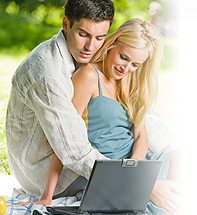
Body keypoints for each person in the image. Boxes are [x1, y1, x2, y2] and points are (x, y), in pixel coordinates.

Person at [17, 18, 182, 215]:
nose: (126, 68)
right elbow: (63, 139)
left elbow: (141, 136)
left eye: (135, 65)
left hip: (140, 168)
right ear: (112, 44)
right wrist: (47, 195)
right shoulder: (89, 76)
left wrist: (137, 169)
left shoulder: (128, 84)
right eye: (123, 57)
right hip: (112, 174)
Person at [6, 0, 114, 198]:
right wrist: (134, 183)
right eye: (83, 34)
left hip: (71, 160)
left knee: (164, 159)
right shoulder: (48, 73)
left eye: (100, 37)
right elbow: (75, 152)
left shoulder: (84, 56)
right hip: (50, 176)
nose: (91, 46)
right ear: (66, 24)